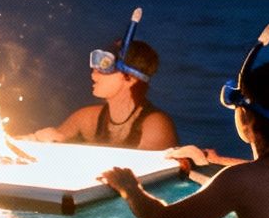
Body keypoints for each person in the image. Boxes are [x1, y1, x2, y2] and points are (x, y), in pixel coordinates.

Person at [99, 44, 269, 218]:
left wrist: (130, 188)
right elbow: (264, 182)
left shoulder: (240, 180)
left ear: (245, 114)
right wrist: (204, 164)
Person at [27, 8, 177, 151]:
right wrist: (37, 140)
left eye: (104, 68)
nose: (93, 75)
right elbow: (48, 140)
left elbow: (150, 173)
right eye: (95, 69)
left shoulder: (155, 125)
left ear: (130, 78)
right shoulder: (86, 118)